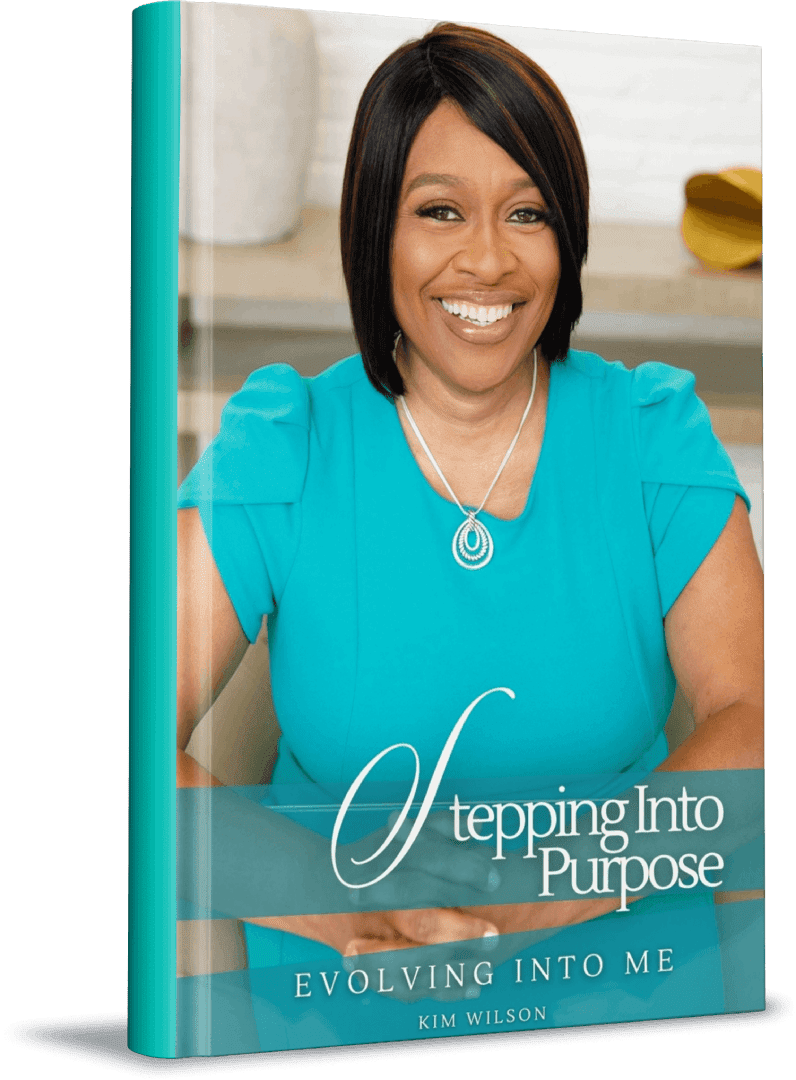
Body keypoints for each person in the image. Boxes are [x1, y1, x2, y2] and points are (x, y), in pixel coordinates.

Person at [177, 21, 763, 1037]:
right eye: (439, 211)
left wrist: (521, 897)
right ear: (377, 232)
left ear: (565, 234)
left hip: (623, 943)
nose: (486, 261)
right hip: (340, 966)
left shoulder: (648, 433)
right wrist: (361, 908)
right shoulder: (286, 442)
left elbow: (757, 725)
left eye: (527, 212)